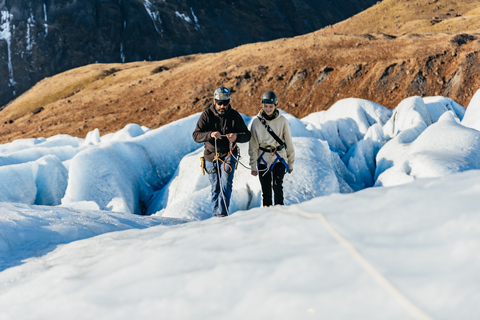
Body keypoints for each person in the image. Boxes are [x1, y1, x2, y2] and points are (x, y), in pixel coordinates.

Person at [193, 86, 251, 217]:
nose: (222, 106)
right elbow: (196, 135)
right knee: (215, 188)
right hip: (211, 156)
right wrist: (210, 134)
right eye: (219, 103)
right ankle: (216, 216)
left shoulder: (234, 116)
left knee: (226, 185)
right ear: (214, 101)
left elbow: (247, 135)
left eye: (225, 103)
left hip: (229, 154)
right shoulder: (206, 115)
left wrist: (236, 136)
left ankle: (222, 215)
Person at [249, 91, 294, 207]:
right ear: (262, 106)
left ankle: (280, 212)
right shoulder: (256, 122)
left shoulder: (283, 121)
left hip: (279, 157)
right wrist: (253, 165)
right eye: (265, 106)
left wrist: (291, 163)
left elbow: (288, 142)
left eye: (270, 106)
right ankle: (267, 216)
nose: (268, 109)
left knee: (277, 185)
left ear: (275, 106)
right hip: (263, 158)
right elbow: (253, 145)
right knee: (266, 191)